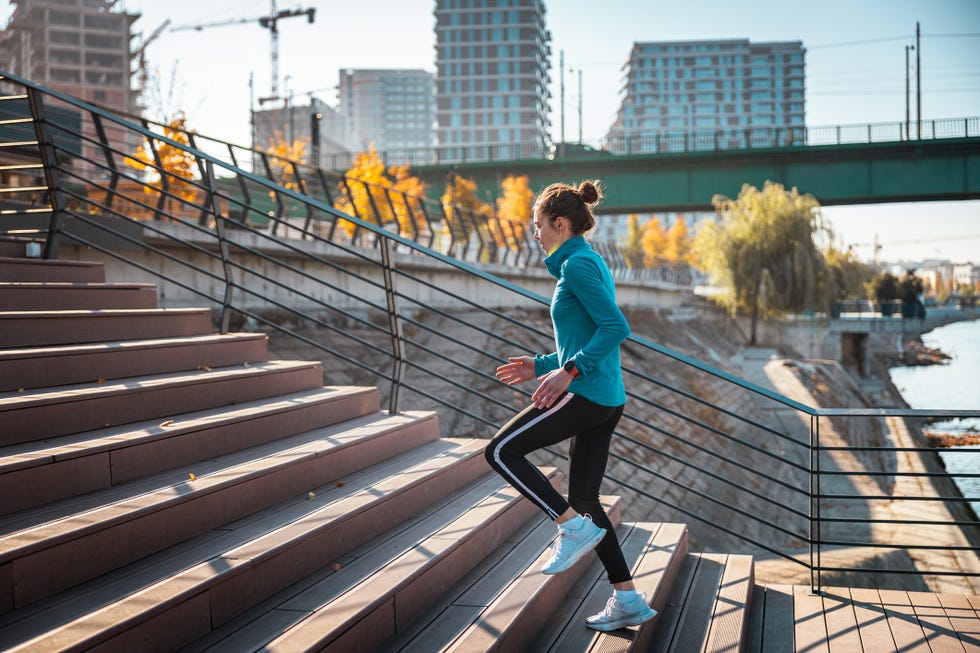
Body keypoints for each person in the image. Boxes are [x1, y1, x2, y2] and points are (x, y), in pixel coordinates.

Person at [484, 180, 657, 632]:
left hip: (587, 395)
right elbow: (586, 333)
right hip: (606, 398)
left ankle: (570, 528)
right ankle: (628, 599)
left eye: (539, 225)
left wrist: (569, 373)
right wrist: (542, 364)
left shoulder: (577, 265)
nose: (535, 234)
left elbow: (615, 327)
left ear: (560, 224)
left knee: (500, 451)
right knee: (584, 499)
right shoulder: (585, 261)